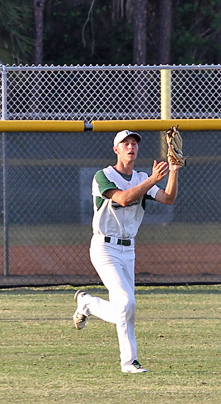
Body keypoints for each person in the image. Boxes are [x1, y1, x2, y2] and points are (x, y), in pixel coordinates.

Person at [72, 129, 181, 373]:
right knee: (125, 302)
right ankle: (128, 361)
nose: (131, 147)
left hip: (128, 249)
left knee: (127, 306)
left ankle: (88, 304)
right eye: (125, 143)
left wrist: (173, 173)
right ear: (116, 149)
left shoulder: (141, 177)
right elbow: (122, 198)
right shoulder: (103, 176)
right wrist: (152, 180)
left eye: (134, 143)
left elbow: (168, 199)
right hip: (104, 247)